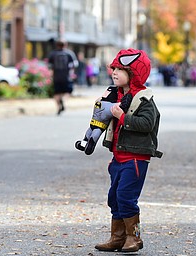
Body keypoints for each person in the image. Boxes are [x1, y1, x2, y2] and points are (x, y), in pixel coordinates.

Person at [94, 48, 163, 253]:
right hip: (119, 157)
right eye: (113, 68)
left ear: (134, 74)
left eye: (121, 69)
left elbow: (147, 124)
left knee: (126, 196)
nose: (114, 72)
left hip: (135, 158)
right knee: (114, 196)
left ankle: (134, 237)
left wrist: (122, 116)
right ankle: (117, 237)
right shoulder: (118, 96)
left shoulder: (144, 99)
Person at [48, 41, 78, 115]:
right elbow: (75, 64)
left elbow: (49, 65)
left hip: (56, 77)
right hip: (66, 77)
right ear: (65, 45)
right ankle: (63, 100)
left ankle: (58, 107)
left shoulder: (53, 54)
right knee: (68, 91)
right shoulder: (69, 53)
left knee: (56, 92)